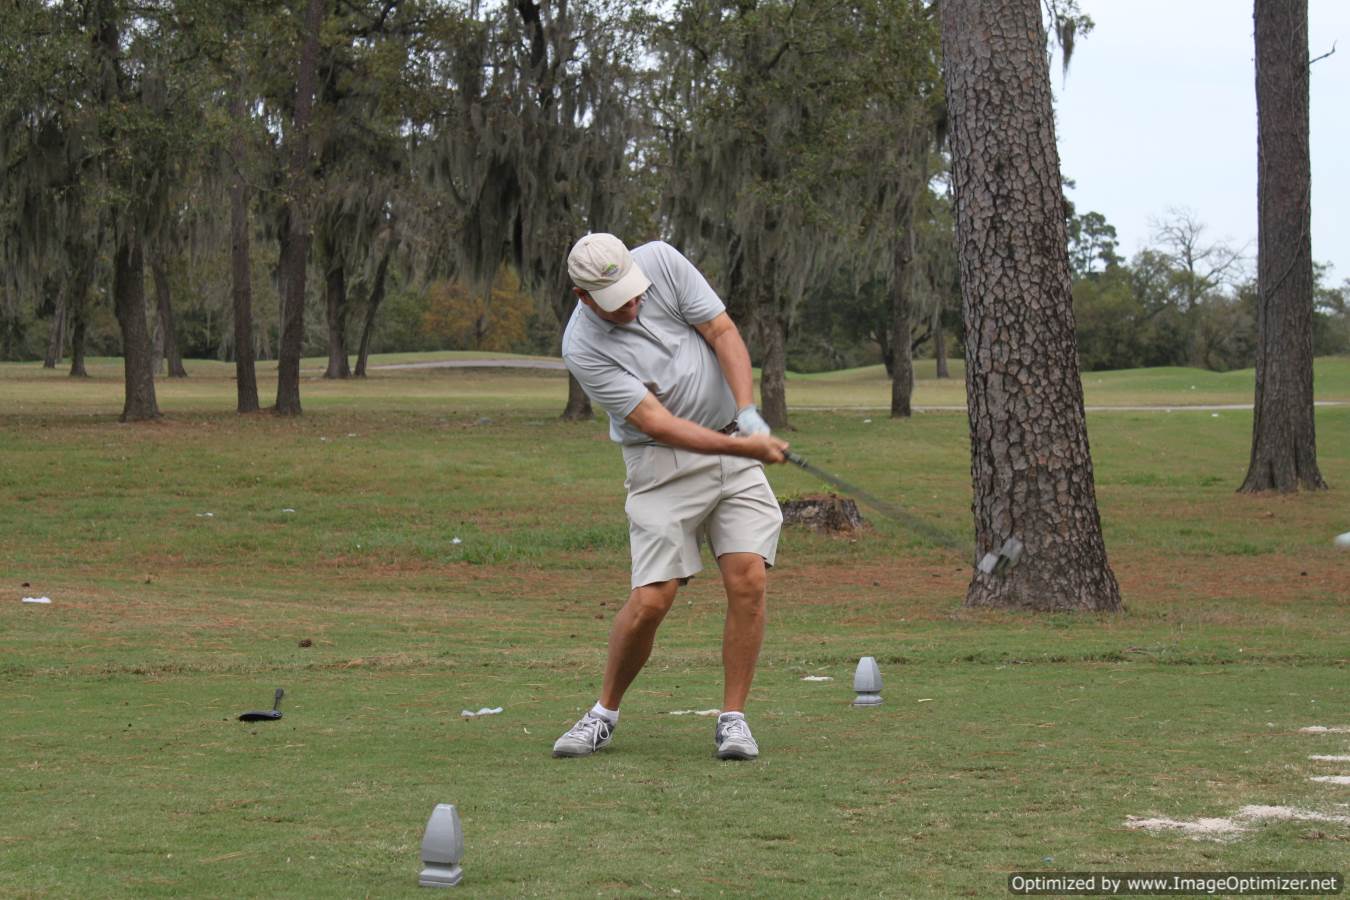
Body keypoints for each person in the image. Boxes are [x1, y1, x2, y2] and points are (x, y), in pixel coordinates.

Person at [552, 233, 789, 762]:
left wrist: (747, 412)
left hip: (732, 439)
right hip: (660, 465)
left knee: (748, 575)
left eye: (636, 294)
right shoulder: (582, 348)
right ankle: (604, 713)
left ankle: (734, 720)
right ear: (583, 297)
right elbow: (659, 424)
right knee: (653, 599)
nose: (634, 306)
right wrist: (742, 443)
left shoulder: (660, 260)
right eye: (618, 303)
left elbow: (721, 330)